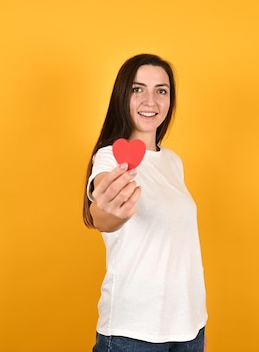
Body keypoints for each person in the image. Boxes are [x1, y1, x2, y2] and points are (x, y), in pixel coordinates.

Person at [82, 54, 207, 352]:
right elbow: (102, 215)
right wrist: (108, 210)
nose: (150, 100)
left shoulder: (173, 162)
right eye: (138, 89)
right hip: (134, 331)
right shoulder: (109, 156)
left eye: (161, 90)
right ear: (122, 97)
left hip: (189, 324)